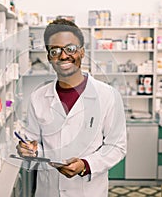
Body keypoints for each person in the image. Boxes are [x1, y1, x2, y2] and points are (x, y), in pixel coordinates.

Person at [16, 18, 126, 197]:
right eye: (55, 50)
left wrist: (85, 165)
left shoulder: (108, 96)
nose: (63, 55)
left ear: (82, 52)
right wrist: (27, 150)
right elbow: (33, 144)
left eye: (70, 49)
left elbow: (116, 146)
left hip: (89, 191)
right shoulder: (38, 97)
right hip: (48, 190)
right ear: (49, 57)